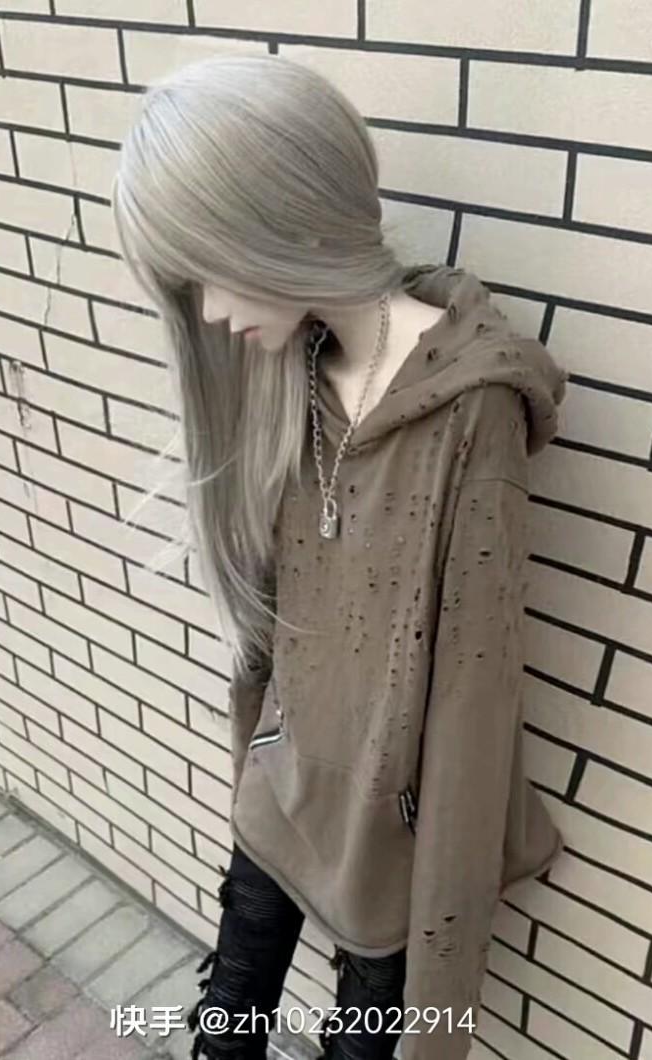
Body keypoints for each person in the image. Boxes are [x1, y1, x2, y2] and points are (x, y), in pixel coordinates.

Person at [110, 54, 569, 1060]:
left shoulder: (471, 415)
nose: (212, 314)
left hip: (389, 839)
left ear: (289, 223)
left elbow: (473, 712)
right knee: (227, 1020)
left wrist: (438, 1017)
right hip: (281, 789)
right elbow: (275, 625)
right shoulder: (296, 370)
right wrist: (255, 755)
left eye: (214, 270)